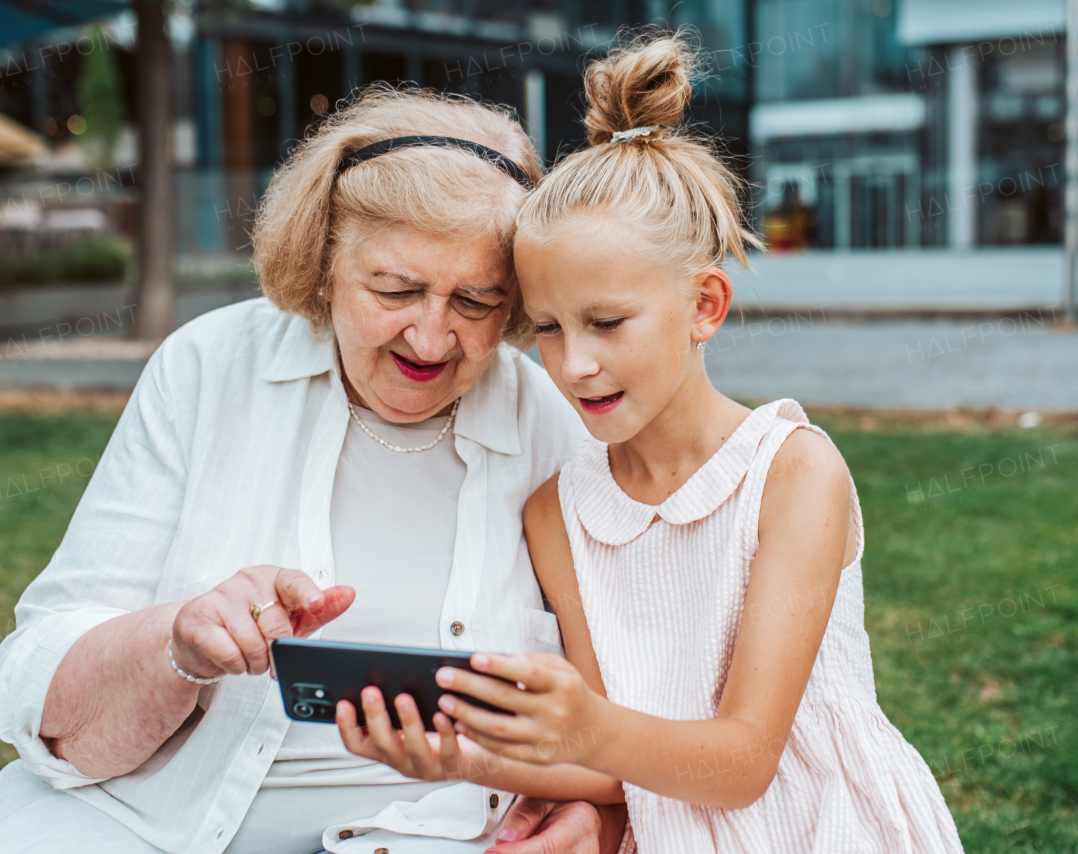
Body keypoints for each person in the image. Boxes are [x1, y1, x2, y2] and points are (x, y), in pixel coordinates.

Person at [0, 87, 629, 854]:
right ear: (324, 263)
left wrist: (602, 816)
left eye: (477, 301)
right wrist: (179, 643)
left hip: (436, 835)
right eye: (395, 289)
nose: (432, 337)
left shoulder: (555, 422)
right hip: (149, 824)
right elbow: (46, 694)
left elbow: (633, 698)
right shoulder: (209, 369)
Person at [339, 35, 964, 853]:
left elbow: (744, 762)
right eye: (550, 330)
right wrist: (463, 757)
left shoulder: (793, 473)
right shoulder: (558, 513)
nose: (576, 363)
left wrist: (587, 726)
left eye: (606, 323)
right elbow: (612, 770)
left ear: (705, 305)